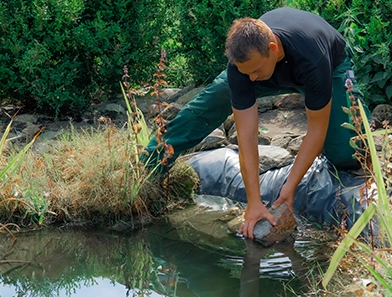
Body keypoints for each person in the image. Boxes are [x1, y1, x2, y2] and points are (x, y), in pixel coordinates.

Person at [142, 8, 368, 239]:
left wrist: (289, 188)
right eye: (245, 72)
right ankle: (147, 164)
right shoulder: (245, 69)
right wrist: (254, 202)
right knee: (217, 95)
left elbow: (316, 129)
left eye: (254, 71)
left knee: (347, 153)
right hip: (271, 69)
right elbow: (247, 135)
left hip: (330, 66)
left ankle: (356, 132)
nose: (250, 78)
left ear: (273, 49)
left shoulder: (312, 58)